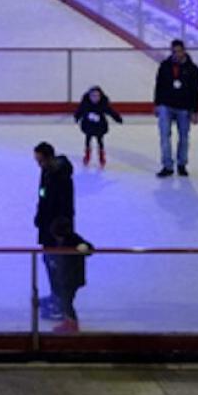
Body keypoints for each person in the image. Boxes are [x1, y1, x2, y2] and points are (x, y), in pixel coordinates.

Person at [32, 142, 75, 319]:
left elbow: (64, 206)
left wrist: (60, 231)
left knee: (58, 266)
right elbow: (43, 194)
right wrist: (39, 214)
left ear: (49, 157)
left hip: (58, 230)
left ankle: (62, 305)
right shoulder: (47, 172)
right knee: (49, 262)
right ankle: (55, 296)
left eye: (40, 160)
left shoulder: (60, 177)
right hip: (46, 225)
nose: (38, 164)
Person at [153, 39, 198, 177]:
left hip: (184, 108)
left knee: (184, 137)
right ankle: (167, 166)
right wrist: (157, 104)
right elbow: (158, 86)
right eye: (174, 51)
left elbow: (196, 91)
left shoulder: (193, 69)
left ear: (184, 51)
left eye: (179, 51)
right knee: (164, 135)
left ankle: (182, 164)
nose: (176, 54)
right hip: (166, 106)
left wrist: (196, 111)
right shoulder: (164, 66)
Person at [46, 217, 92, 333]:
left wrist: (84, 248)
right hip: (64, 278)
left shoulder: (74, 240)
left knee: (66, 302)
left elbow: (89, 248)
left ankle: (72, 325)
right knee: (64, 302)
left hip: (71, 279)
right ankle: (68, 321)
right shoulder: (61, 240)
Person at [73, 85, 124, 169]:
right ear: (89, 96)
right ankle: (87, 155)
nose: (95, 98)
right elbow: (80, 110)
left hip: (99, 127)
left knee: (100, 141)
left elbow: (110, 111)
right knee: (88, 139)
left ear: (100, 96)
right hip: (88, 125)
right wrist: (77, 117)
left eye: (97, 96)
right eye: (93, 96)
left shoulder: (103, 104)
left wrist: (117, 118)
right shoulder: (85, 104)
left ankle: (101, 156)